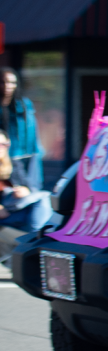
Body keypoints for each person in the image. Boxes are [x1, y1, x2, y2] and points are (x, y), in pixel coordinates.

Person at [0, 129, 52, 265]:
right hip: (4, 213)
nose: (2, 148)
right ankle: (36, 241)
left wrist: (25, 190)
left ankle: (35, 239)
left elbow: (30, 187)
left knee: (42, 198)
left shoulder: (12, 164)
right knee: (43, 198)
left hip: (14, 208)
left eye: (4, 144)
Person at [1, 68, 43, 191]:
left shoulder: (24, 104)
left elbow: (33, 130)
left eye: (12, 82)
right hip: (8, 158)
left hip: (30, 155)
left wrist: (37, 151)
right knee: (14, 193)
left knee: (33, 191)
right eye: (3, 82)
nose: (8, 86)